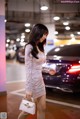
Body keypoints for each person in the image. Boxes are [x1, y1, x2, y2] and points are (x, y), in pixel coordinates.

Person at [18, 23, 48, 119]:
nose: (45, 36)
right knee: (27, 110)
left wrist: (48, 70)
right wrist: (28, 90)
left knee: (42, 108)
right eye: (43, 34)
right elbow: (28, 69)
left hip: (40, 82)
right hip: (32, 83)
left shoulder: (41, 47)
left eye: (46, 34)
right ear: (37, 33)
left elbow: (40, 66)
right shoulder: (29, 47)